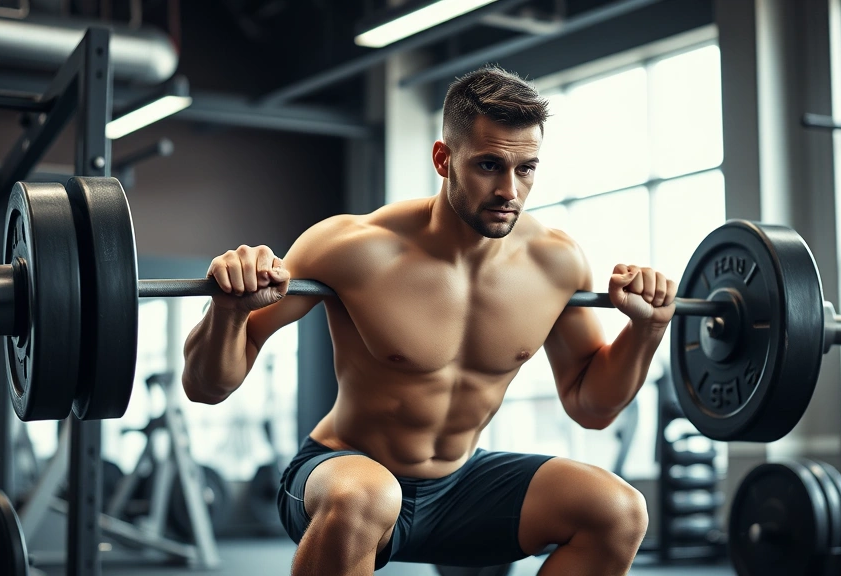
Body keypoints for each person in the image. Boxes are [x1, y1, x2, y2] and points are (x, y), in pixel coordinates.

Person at [182, 65, 677, 576]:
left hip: (461, 483)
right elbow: (206, 387)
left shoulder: (555, 262)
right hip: (345, 475)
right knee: (368, 496)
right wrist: (228, 308)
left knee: (618, 510)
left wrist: (647, 330)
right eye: (489, 165)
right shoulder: (352, 248)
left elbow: (590, 406)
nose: (510, 189)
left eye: (526, 168)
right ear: (444, 159)